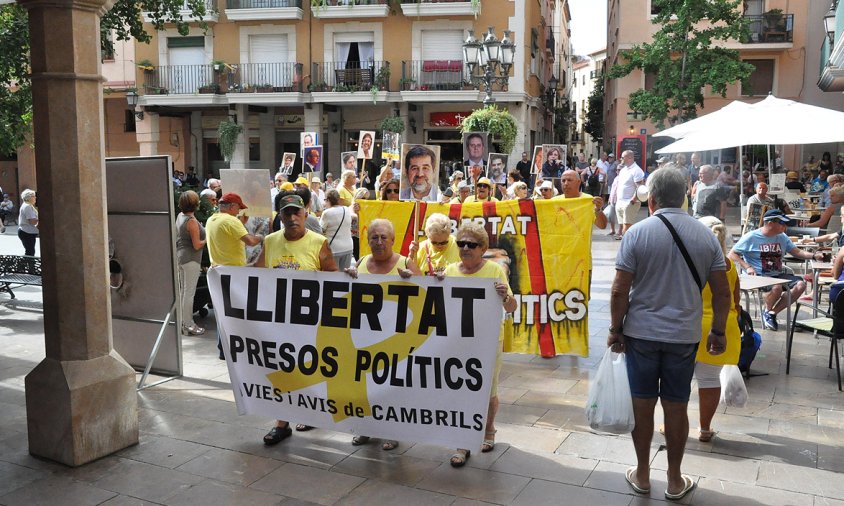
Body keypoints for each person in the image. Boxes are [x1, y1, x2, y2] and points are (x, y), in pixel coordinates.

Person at [610, 167, 730, 501]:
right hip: (684, 337)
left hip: (641, 335)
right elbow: (722, 293)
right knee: (676, 407)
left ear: (654, 198)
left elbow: (620, 291)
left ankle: (643, 474)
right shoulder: (705, 235)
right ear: (686, 195)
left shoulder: (636, 233)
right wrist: (718, 331)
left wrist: (615, 330)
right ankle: (675, 480)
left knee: (642, 405)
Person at [257, 193, 338, 444]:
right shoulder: (269, 242)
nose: (292, 218)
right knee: (282, 370)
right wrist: (223, 274)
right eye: (286, 213)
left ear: (305, 214)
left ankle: (308, 412)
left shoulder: (319, 242)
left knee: (309, 371)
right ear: (279, 217)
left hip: (311, 325)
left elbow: (334, 276)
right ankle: (282, 423)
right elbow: (256, 275)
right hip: (280, 323)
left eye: (296, 213)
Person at [443, 221, 518, 467]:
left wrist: (504, 295)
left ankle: (488, 430)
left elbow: (511, 306)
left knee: (488, 389)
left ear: (482, 247)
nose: (465, 248)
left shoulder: (495, 271)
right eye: (461, 243)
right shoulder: (450, 270)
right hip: (457, 340)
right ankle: (463, 442)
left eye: (471, 244)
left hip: (487, 341)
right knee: (460, 389)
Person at [345, 219, 421, 450]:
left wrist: (413, 280)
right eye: (374, 238)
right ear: (367, 241)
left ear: (393, 240)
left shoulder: (406, 262)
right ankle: (366, 429)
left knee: (391, 388)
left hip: (396, 340)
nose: (378, 242)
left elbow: (428, 297)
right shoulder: (360, 263)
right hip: (365, 339)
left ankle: (391, 430)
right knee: (366, 386)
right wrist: (347, 278)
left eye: (383, 238)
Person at [729, 209, 824, 331]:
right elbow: (732, 254)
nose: (785, 226)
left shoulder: (782, 237)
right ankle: (768, 311)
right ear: (770, 223)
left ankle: (771, 313)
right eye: (782, 223)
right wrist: (747, 267)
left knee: (801, 285)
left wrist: (813, 256)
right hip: (759, 276)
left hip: (778, 274)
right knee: (777, 287)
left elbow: (797, 252)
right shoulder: (751, 237)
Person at [694, 216, 741, 443]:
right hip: (723, 327)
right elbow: (736, 303)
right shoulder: (730, 266)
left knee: (679, 380)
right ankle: (705, 429)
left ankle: (674, 422)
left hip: (692, 326)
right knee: (710, 379)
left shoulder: (693, 264)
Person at [175, 191, 207, 336]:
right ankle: (188, 324)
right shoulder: (191, 221)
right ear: (195, 204)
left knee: (183, 292)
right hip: (191, 259)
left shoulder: (181, 216)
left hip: (181, 257)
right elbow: (197, 245)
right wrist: (208, 238)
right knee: (189, 293)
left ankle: (182, 322)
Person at [611, 150, 645, 239]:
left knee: (627, 224)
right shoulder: (623, 170)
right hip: (620, 201)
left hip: (630, 201)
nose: (621, 159)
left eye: (623, 157)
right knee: (622, 223)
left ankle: (626, 243)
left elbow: (640, 187)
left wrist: (634, 199)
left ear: (630, 157)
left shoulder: (637, 170)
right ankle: (624, 238)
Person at [320, 189, 354, 270]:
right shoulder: (346, 209)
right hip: (348, 247)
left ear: (328, 200)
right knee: (344, 276)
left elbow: (321, 229)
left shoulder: (327, 213)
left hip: (333, 249)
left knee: (333, 277)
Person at [17, 189, 38, 256]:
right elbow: (32, 221)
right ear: (28, 197)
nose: (35, 197)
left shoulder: (28, 205)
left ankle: (28, 265)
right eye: (33, 196)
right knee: (30, 252)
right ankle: (28, 266)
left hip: (27, 232)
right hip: (27, 232)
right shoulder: (27, 206)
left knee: (30, 251)